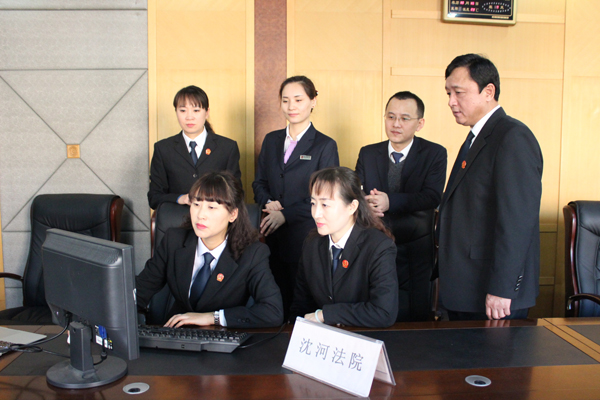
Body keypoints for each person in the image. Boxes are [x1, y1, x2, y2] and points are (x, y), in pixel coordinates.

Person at [438, 53, 543, 321]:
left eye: (458, 92)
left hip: (493, 295)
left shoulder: (512, 137)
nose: (451, 101)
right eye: (448, 93)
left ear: (488, 92)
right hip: (467, 287)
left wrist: (502, 288)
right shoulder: (477, 137)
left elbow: (517, 222)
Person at [136, 171, 283, 328]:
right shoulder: (174, 241)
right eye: (196, 204)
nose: (201, 215)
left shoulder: (252, 254)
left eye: (212, 207)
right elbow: (140, 290)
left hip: (223, 336)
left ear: (233, 214)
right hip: (177, 333)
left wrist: (214, 317)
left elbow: (272, 311)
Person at [355, 91, 447, 322]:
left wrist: (390, 201)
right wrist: (366, 205)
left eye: (405, 118)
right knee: (376, 308)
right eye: (391, 117)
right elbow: (357, 191)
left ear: (419, 123)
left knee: (415, 315)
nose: (396, 124)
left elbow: (431, 196)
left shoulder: (434, 153)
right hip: (376, 243)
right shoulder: (368, 153)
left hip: (416, 245)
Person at [252, 76, 339, 316]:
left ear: (313, 101)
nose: (291, 106)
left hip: (306, 236)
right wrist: (268, 202)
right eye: (285, 100)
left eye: (298, 100)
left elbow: (326, 195)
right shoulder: (271, 140)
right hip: (270, 235)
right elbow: (258, 182)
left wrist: (286, 215)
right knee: (273, 302)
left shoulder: (324, 145)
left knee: (302, 305)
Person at [290, 167, 399, 328]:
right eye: (313, 203)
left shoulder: (378, 246)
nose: (316, 213)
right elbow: (301, 304)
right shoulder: (312, 243)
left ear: (352, 207)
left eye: (325, 205)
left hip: (364, 336)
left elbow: (384, 312)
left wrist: (325, 315)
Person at [147, 85, 242, 209]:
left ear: (207, 113)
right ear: (176, 112)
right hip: (176, 217)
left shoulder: (227, 148)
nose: (189, 117)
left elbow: (236, 194)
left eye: (196, 110)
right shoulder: (163, 149)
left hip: (215, 219)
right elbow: (154, 198)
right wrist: (180, 198)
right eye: (183, 110)